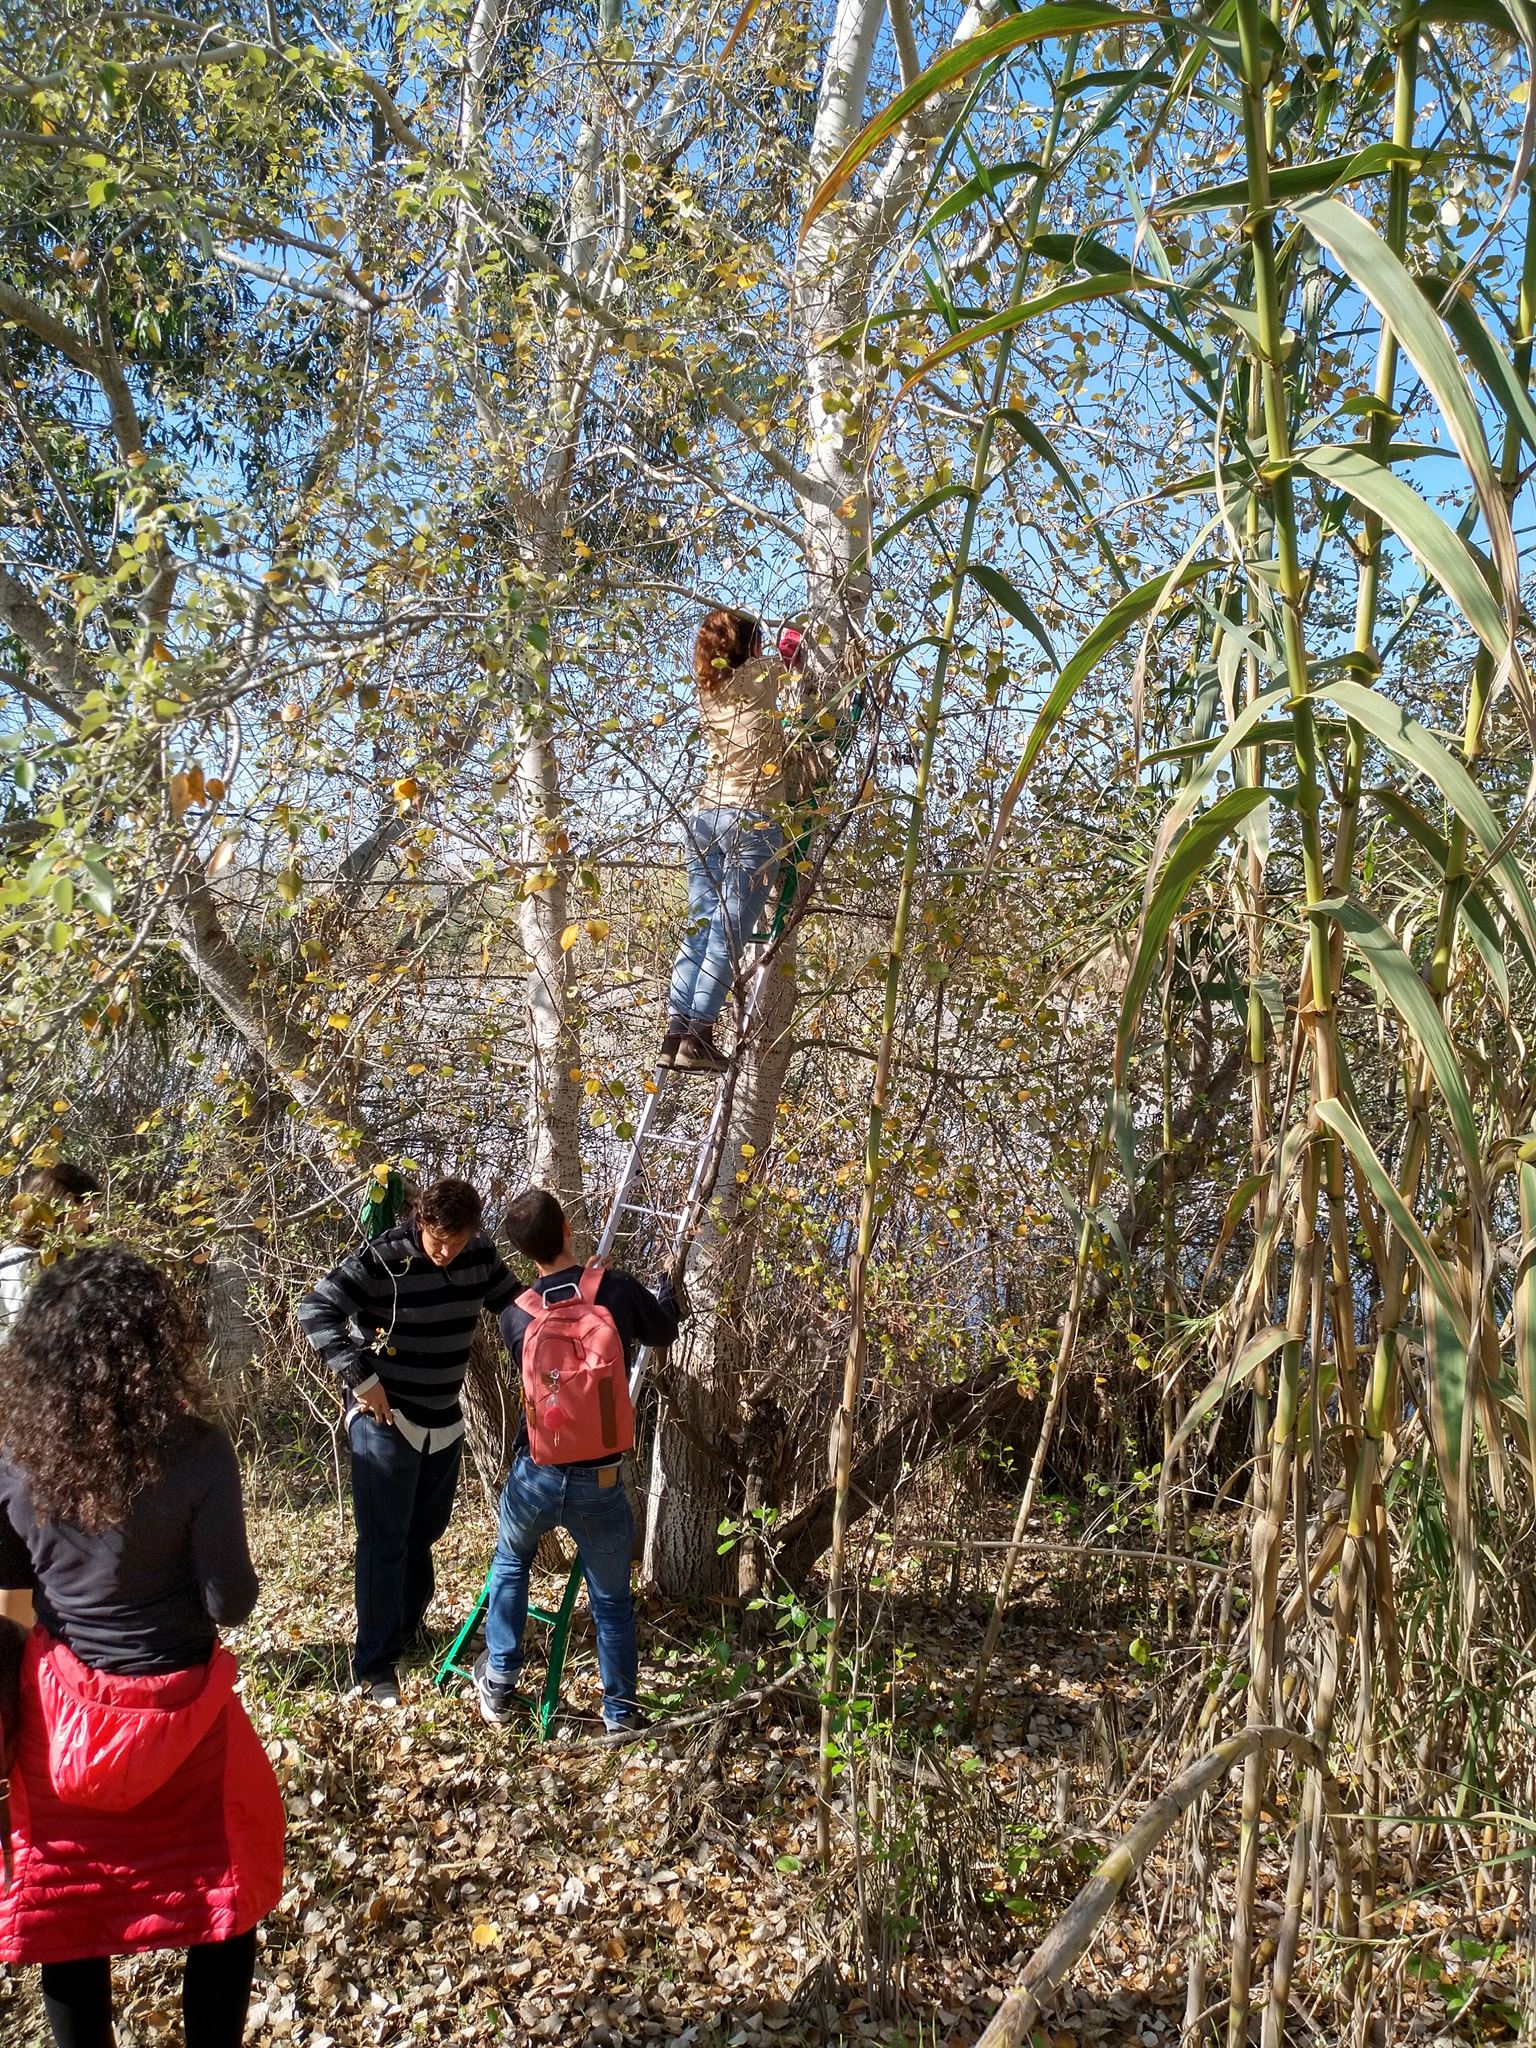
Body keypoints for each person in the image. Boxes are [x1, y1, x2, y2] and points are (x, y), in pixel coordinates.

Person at [0, 1249, 283, 2048]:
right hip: (183, 1720)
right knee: (219, 1907)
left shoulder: (15, 1460)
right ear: (157, 1344)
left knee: (71, 1924)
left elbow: (12, 1597)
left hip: (61, 1730)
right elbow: (233, 1602)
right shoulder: (196, 1451)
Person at [296, 1175, 518, 1704]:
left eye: (456, 1243)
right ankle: (374, 1666)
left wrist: (558, 1318)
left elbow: (513, 1303)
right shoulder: (384, 1257)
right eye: (437, 1240)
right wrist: (360, 1377)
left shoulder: (480, 1254)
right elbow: (316, 1309)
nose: (446, 1253)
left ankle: (407, 1629)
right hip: (385, 1420)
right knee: (384, 1542)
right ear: (419, 1222)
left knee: (425, 1533)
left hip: (444, 1419)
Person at [474, 1187, 681, 1734]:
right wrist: (663, 1289)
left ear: (521, 1251)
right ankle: (620, 1718)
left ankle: (498, 1681)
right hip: (602, 1477)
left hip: (537, 1475)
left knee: (513, 1564)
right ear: (566, 1228)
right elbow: (664, 1329)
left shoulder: (516, 1316)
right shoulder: (614, 1290)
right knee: (611, 1603)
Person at [662, 609, 811, 1074]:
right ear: (750, 646)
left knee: (700, 926)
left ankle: (676, 1031)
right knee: (728, 931)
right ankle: (699, 1034)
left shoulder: (709, 688)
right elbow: (793, 647)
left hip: (706, 817)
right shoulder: (760, 674)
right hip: (753, 817)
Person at [0, 1162, 101, 1343]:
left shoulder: (53, 1262)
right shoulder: (19, 1264)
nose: (91, 1223)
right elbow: (28, 1338)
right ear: (68, 1202)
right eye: (90, 1209)